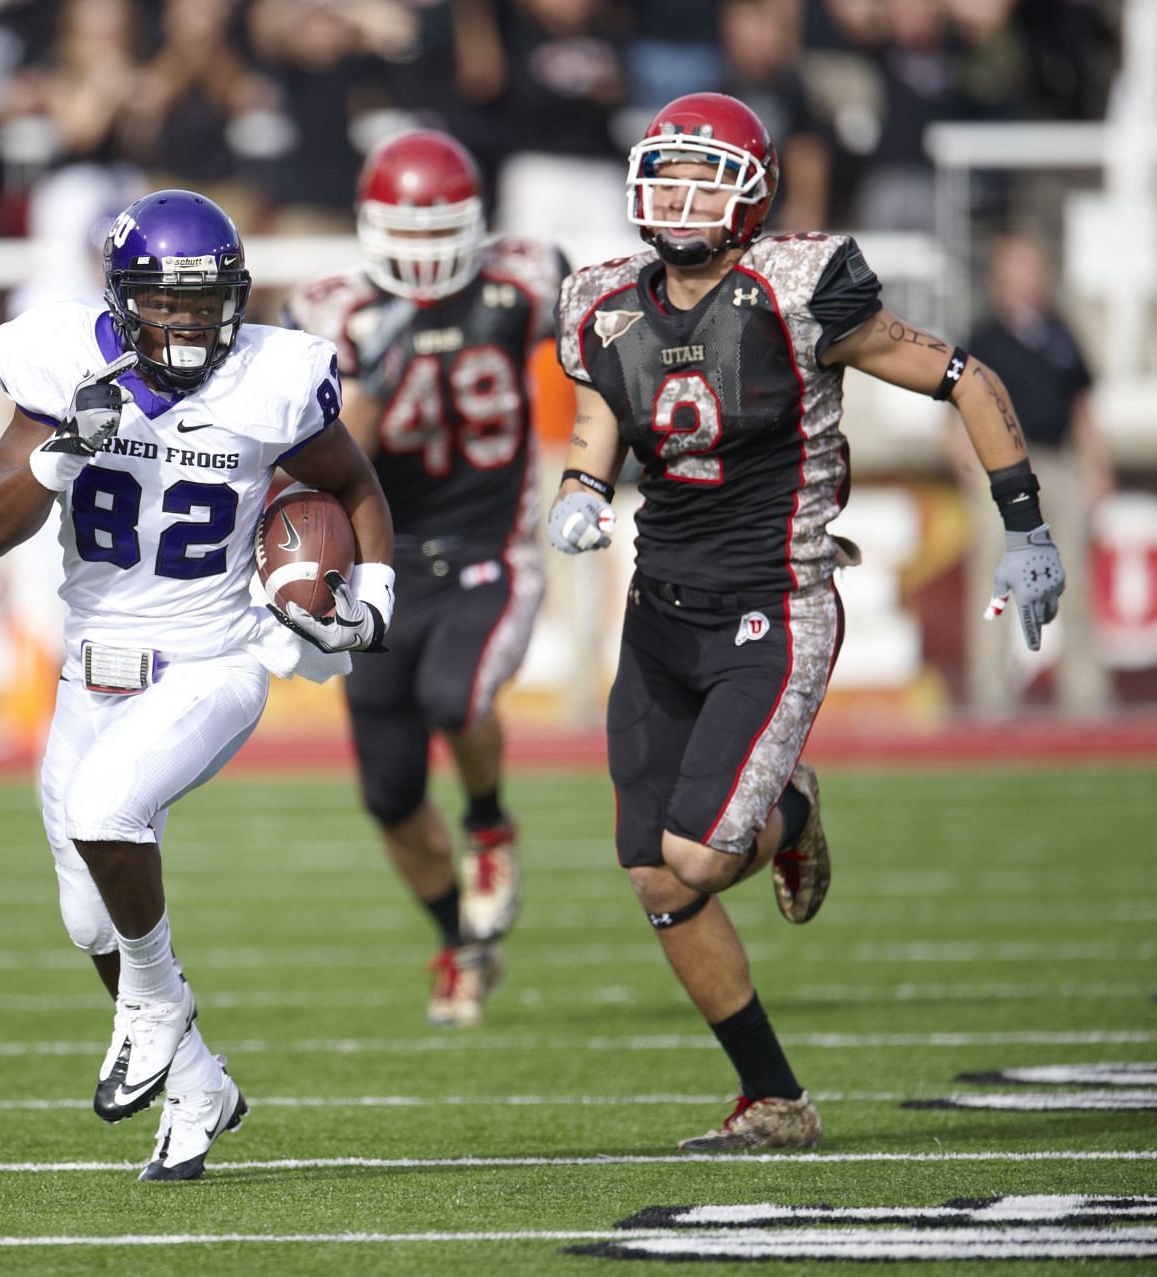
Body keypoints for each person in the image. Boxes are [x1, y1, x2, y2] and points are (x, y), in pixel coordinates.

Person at [547, 93, 1065, 1151]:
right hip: (657, 611)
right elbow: (602, 405)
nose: (681, 198)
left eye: (705, 178)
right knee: (651, 870)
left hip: (771, 606)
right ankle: (774, 1099)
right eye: (669, 175)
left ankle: (788, 809)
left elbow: (964, 377)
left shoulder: (797, 290)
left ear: (749, 194)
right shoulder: (601, 301)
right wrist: (579, 486)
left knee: (694, 857)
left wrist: (1026, 525)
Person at [0, 189, 395, 1180]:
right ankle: (198, 1079)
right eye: (170, 304)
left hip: (216, 659)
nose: (192, 325)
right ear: (121, 301)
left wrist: (373, 587)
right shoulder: (65, 365)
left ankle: (159, 1008)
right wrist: (58, 450)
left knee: (107, 806)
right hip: (91, 669)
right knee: (89, 919)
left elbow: (356, 481)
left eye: (209, 305)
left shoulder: (271, 378)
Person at [284, 129, 567, 1028]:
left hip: (490, 550)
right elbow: (330, 447)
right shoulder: (334, 310)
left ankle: (488, 821)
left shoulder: (524, 279)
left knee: (457, 695)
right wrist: (375, 364)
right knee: (390, 792)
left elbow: (624, 341)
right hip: (381, 562)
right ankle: (462, 943)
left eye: (441, 226)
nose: (423, 250)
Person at [961, 234, 1112, 715]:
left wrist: (1096, 468)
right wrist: (973, 473)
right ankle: (989, 692)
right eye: (1021, 267)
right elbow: (954, 417)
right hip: (1005, 473)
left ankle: (1086, 692)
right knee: (995, 584)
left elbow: (1082, 409)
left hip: (1058, 464)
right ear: (1000, 277)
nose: (1031, 278)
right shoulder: (982, 338)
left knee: (1077, 581)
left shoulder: (1061, 333)